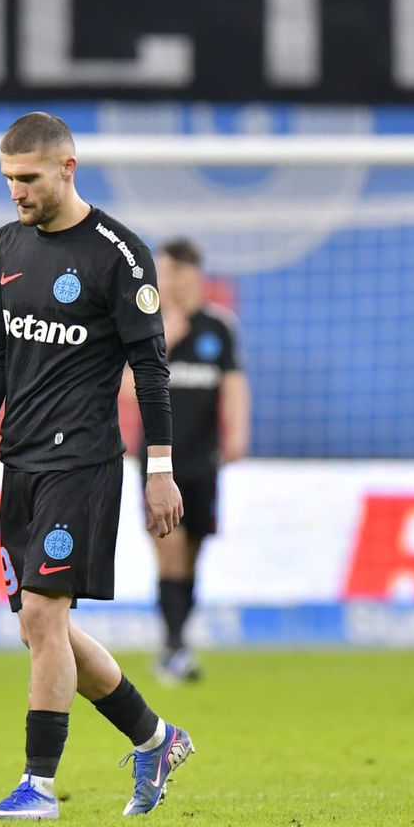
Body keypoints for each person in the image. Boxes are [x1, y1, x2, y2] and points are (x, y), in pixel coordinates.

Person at [0, 112, 193, 822]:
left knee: (43, 613)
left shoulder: (119, 255)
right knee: (41, 630)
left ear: (67, 167)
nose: (15, 193)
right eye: (7, 179)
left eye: (26, 178)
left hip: (83, 461)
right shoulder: (8, 243)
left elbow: (152, 369)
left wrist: (160, 467)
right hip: (19, 461)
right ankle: (155, 737)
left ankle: (38, 786)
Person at [140, 238, 249, 683]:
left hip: (203, 461)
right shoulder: (146, 327)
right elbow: (126, 389)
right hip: (157, 465)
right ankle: (172, 646)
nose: (166, 281)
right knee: (168, 553)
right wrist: (165, 344)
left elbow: (234, 382)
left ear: (191, 275)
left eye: (173, 272)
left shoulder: (218, 328)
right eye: (161, 272)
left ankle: (179, 638)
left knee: (191, 555)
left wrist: (238, 434)